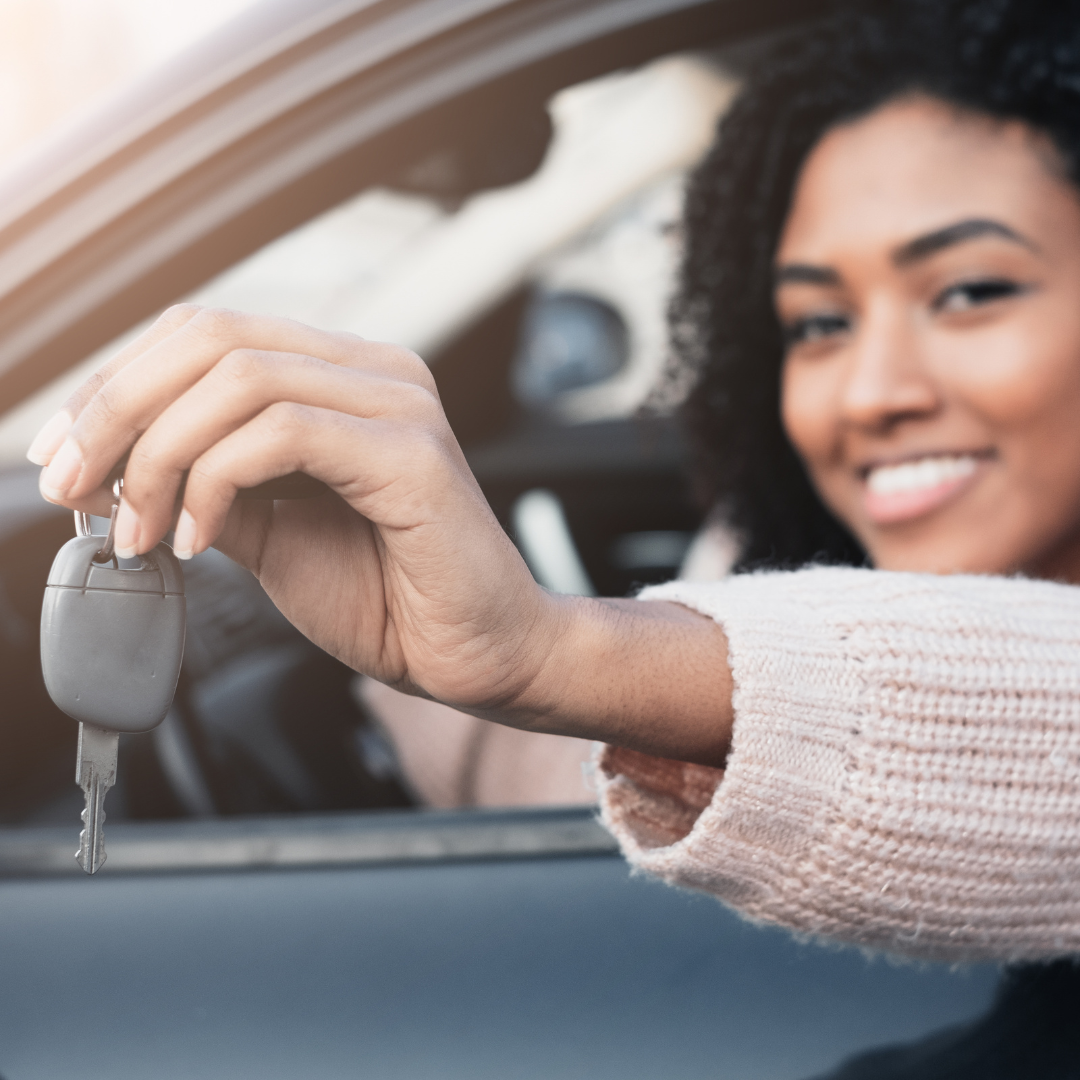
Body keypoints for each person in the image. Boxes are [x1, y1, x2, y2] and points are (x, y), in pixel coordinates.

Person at [25, 0, 1080, 975]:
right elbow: (588, 799)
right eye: (818, 323)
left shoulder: (745, 630)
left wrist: (560, 652)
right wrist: (421, 683)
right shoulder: (753, 554)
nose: (870, 394)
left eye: (971, 292)